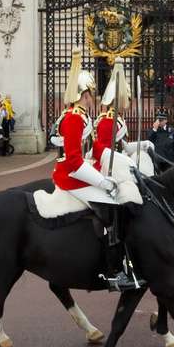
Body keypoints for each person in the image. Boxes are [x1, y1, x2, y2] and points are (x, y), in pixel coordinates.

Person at [50, 50, 139, 292]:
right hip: (70, 176)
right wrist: (102, 182)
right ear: (85, 94)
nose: (93, 99)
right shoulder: (73, 118)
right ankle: (113, 271)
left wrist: (119, 161)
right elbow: (73, 161)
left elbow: (95, 147)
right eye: (91, 94)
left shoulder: (81, 116)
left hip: (80, 170)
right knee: (112, 207)